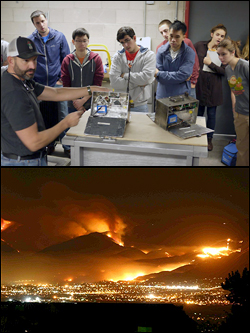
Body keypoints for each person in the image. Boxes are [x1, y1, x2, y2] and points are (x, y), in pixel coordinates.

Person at [1, 37, 109, 167]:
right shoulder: (14, 91)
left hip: (31, 159)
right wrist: (65, 123)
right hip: (22, 162)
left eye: (34, 60)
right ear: (11, 60)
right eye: (26, 60)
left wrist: (90, 89)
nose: (32, 66)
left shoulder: (22, 81)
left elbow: (55, 93)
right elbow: (34, 142)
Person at [27, 10, 70, 156]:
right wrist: (32, 82)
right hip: (38, 86)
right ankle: (48, 144)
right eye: (37, 23)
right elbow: (28, 62)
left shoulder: (59, 37)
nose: (41, 25)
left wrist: (61, 78)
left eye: (43, 21)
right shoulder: (30, 40)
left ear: (47, 20)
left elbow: (66, 60)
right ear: (34, 24)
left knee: (63, 115)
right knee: (42, 116)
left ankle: (67, 147)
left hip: (57, 84)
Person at [194, 24, 227, 151]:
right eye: (217, 34)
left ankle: (209, 140)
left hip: (214, 88)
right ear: (212, 34)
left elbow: (224, 71)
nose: (219, 38)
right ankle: (198, 137)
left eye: (222, 36)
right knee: (199, 113)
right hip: (200, 86)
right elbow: (192, 62)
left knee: (212, 115)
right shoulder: (199, 46)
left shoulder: (224, 51)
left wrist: (210, 64)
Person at [217, 38, 249, 166]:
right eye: (218, 54)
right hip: (240, 113)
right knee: (242, 148)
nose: (220, 57)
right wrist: (234, 108)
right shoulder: (228, 69)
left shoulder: (245, 66)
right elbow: (234, 89)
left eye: (223, 54)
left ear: (232, 52)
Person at [110, 26, 156, 112]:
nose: (125, 45)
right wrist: (138, 83)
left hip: (140, 106)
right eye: (122, 43)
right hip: (120, 104)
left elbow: (147, 79)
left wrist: (125, 76)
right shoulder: (117, 57)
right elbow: (114, 82)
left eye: (127, 40)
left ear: (134, 38)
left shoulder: (148, 55)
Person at [156, 19, 199, 99]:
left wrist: (160, 74)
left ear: (183, 37)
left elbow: (183, 75)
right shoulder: (160, 50)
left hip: (181, 95)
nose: (173, 40)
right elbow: (159, 77)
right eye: (171, 36)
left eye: (177, 37)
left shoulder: (189, 53)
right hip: (163, 95)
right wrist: (178, 76)